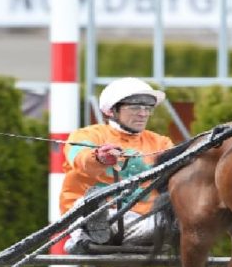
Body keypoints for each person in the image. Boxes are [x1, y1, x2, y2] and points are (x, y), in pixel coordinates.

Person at [60, 77, 174, 253]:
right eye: (135, 107)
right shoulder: (87, 135)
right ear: (112, 111)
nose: (143, 114)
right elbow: (80, 159)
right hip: (100, 215)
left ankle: (115, 238)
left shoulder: (161, 143)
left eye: (147, 108)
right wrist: (99, 157)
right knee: (92, 204)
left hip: (142, 222)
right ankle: (90, 235)